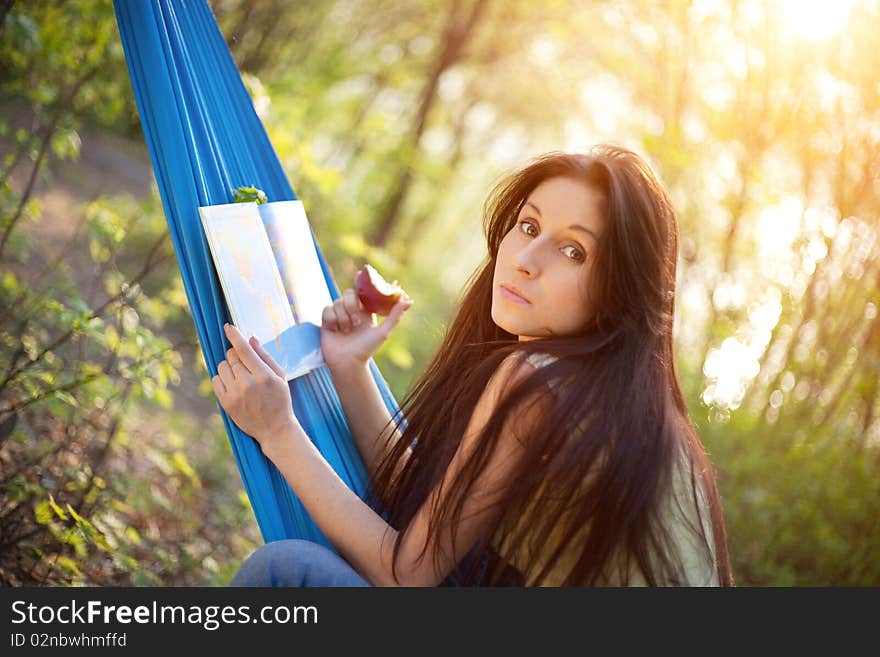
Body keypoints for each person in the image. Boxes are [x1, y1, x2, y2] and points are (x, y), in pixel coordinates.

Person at [213, 145, 735, 587]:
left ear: (620, 290)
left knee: (286, 573)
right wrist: (350, 371)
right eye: (528, 225)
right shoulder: (623, 399)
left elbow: (408, 575)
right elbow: (429, 507)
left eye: (574, 251)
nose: (526, 258)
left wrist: (278, 431)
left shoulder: (542, 381)